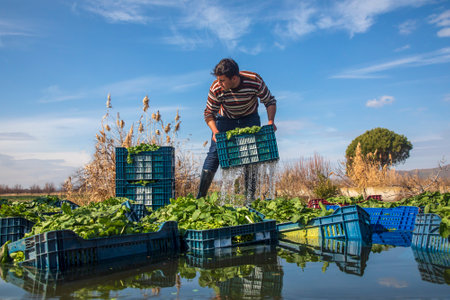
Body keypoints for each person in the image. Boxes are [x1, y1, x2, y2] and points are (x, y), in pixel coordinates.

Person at [197, 58, 277, 200]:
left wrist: (271, 121)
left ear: (234, 78)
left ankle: (249, 199)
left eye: (222, 80)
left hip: (249, 118)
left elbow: (269, 101)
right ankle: (200, 198)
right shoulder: (216, 88)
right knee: (215, 153)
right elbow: (209, 114)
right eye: (218, 80)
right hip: (225, 120)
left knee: (251, 155)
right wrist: (215, 132)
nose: (219, 84)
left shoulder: (254, 80)